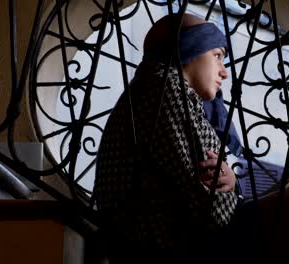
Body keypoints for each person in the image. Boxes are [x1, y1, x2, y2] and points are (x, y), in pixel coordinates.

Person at [93, 13, 240, 259]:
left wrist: (232, 184)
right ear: (190, 49)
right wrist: (236, 193)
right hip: (167, 246)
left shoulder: (158, 89)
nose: (224, 72)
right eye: (217, 56)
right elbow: (211, 210)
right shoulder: (165, 91)